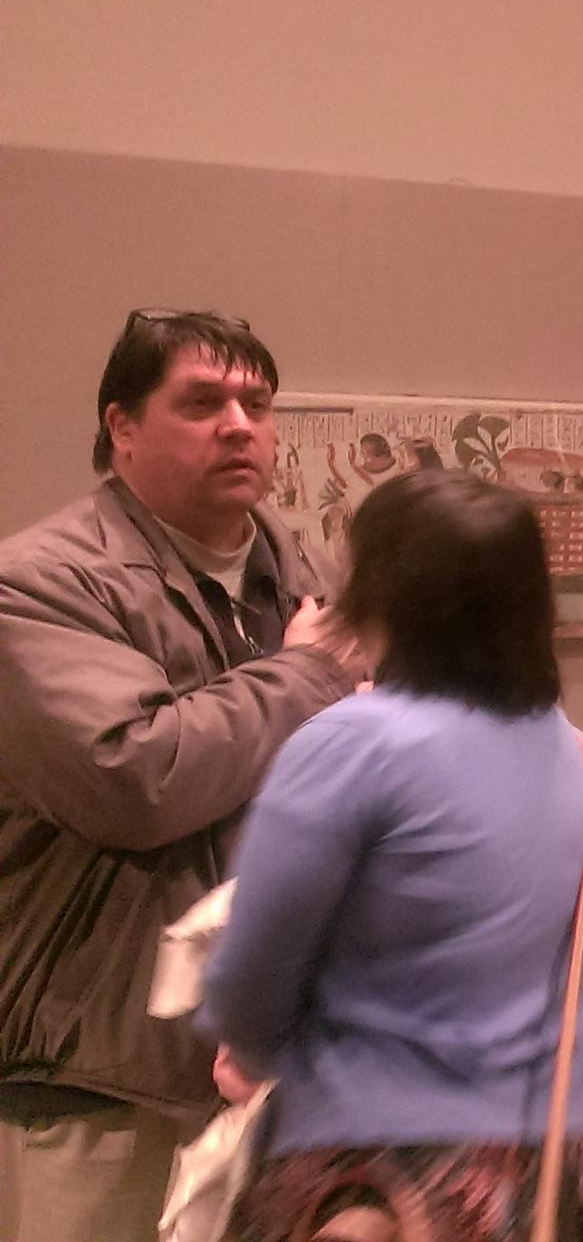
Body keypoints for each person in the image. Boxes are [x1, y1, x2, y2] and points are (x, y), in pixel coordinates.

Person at [0, 309, 369, 1242]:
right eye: (202, 403)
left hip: (277, 1051)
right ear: (121, 427)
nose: (239, 425)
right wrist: (310, 674)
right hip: (105, 1069)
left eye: (256, 403)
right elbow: (135, 775)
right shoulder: (37, 583)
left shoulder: (309, 577)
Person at [197, 469, 583, 1241]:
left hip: (383, 1169)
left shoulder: (353, 742)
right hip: (558, 1160)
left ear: (384, 592)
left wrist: (250, 1049)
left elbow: (256, 969)